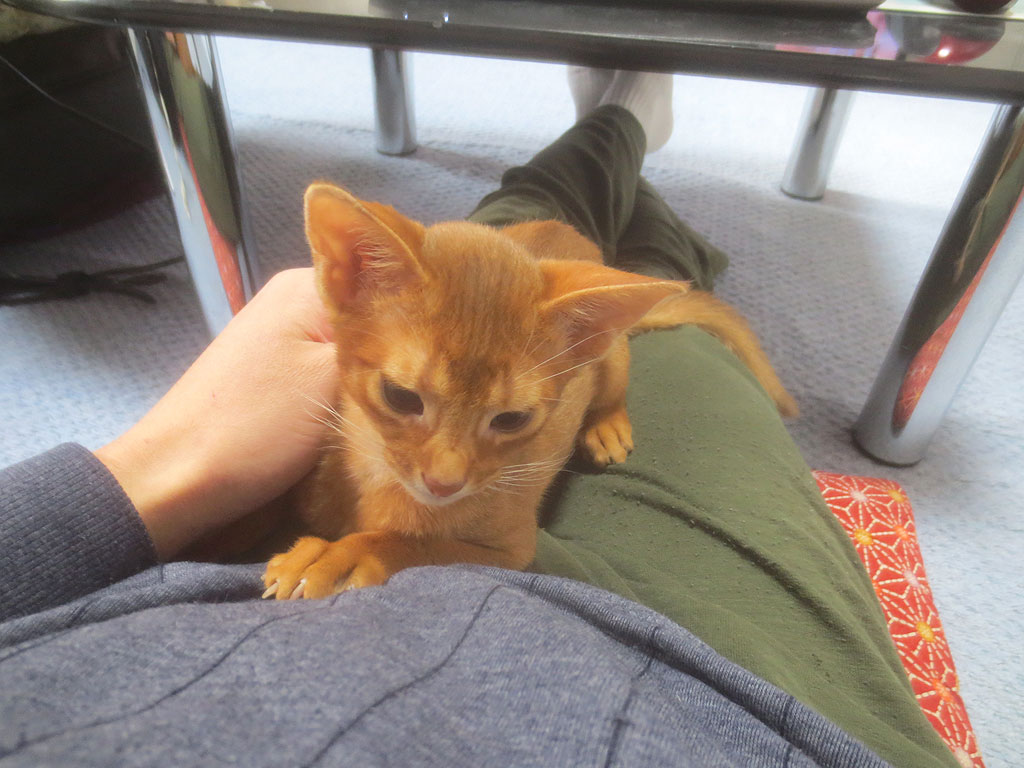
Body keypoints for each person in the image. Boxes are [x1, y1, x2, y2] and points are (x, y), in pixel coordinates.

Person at [0, 70, 957, 768]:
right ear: (345, 276)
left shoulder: (551, 363)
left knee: (560, 242)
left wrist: (153, 480)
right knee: (570, 237)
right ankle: (628, 142)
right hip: (735, 697)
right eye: (404, 400)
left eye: (505, 423)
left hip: (553, 303)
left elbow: (505, 537)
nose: (448, 473)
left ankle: (622, 139)